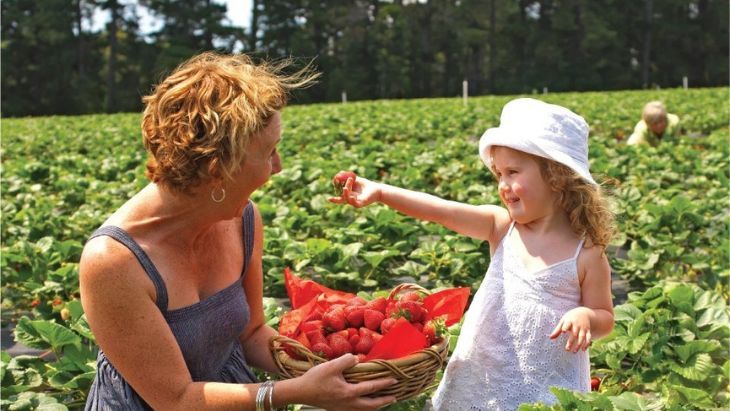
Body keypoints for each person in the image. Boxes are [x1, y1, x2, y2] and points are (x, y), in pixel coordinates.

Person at [79, 52, 397, 410]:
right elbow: (176, 400)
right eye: (269, 152)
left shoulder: (243, 219)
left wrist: (337, 369)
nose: (277, 167)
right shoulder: (114, 262)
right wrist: (298, 392)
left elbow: (252, 334)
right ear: (219, 168)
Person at [330, 98, 616, 410]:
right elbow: (442, 211)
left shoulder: (585, 253)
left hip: (543, 388)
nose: (503, 185)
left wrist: (586, 316)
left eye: (513, 172)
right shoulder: (502, 226)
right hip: (479, 380)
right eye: (499, 175)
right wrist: (382, 192)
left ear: (557, 177)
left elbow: (605, 317)